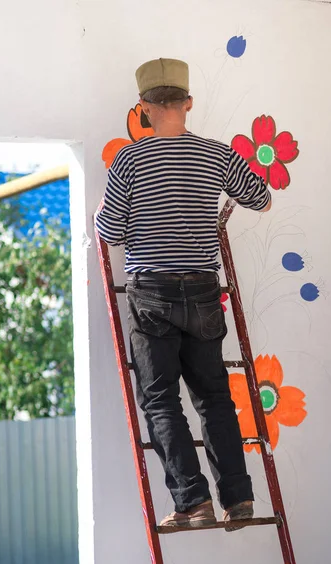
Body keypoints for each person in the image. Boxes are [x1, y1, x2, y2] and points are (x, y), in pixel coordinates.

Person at [95, 58, 271, 530]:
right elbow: (260, 197)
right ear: (188, 103)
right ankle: (238, 499)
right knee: (215, 397)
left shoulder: (129, 160)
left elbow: (108, 230)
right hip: (203, 289)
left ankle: (192, 502)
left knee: (160, 401)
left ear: (144, 109)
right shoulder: (216, 155)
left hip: (151, 292)